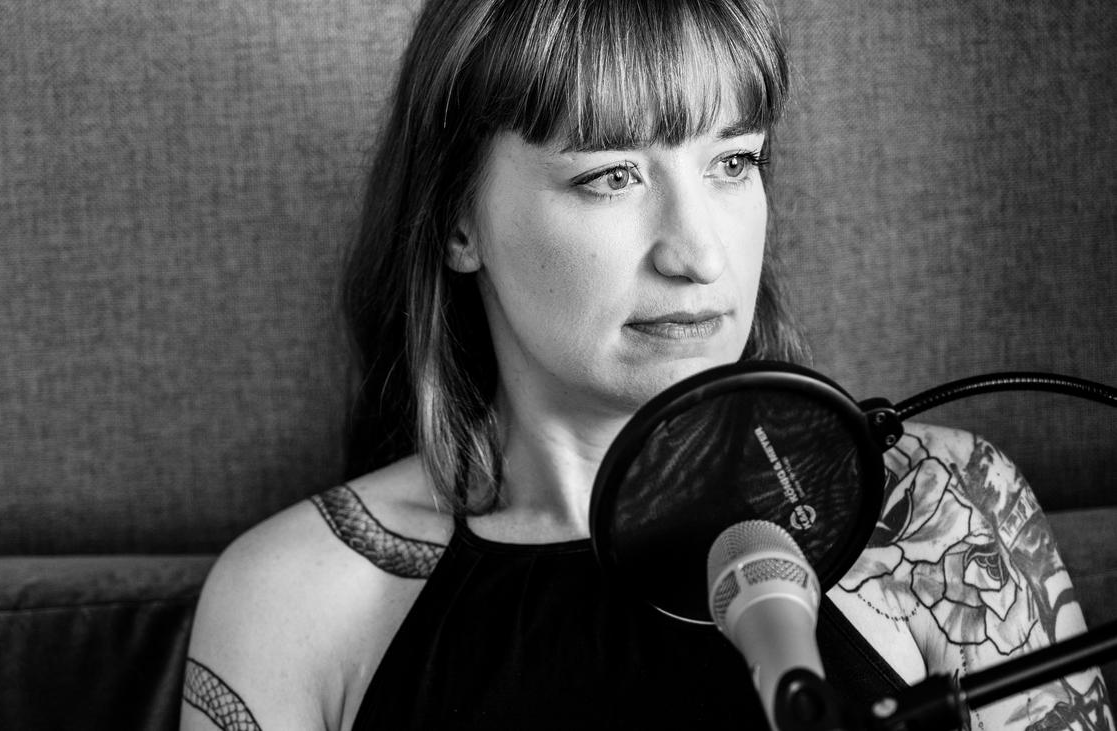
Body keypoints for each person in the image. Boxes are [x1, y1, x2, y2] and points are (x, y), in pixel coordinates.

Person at [181, 0, 1114, 728]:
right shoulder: (291, 599)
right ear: (458, 220)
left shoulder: (942, 509)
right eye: (611, 175)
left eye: (734, 162)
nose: (699, 254)